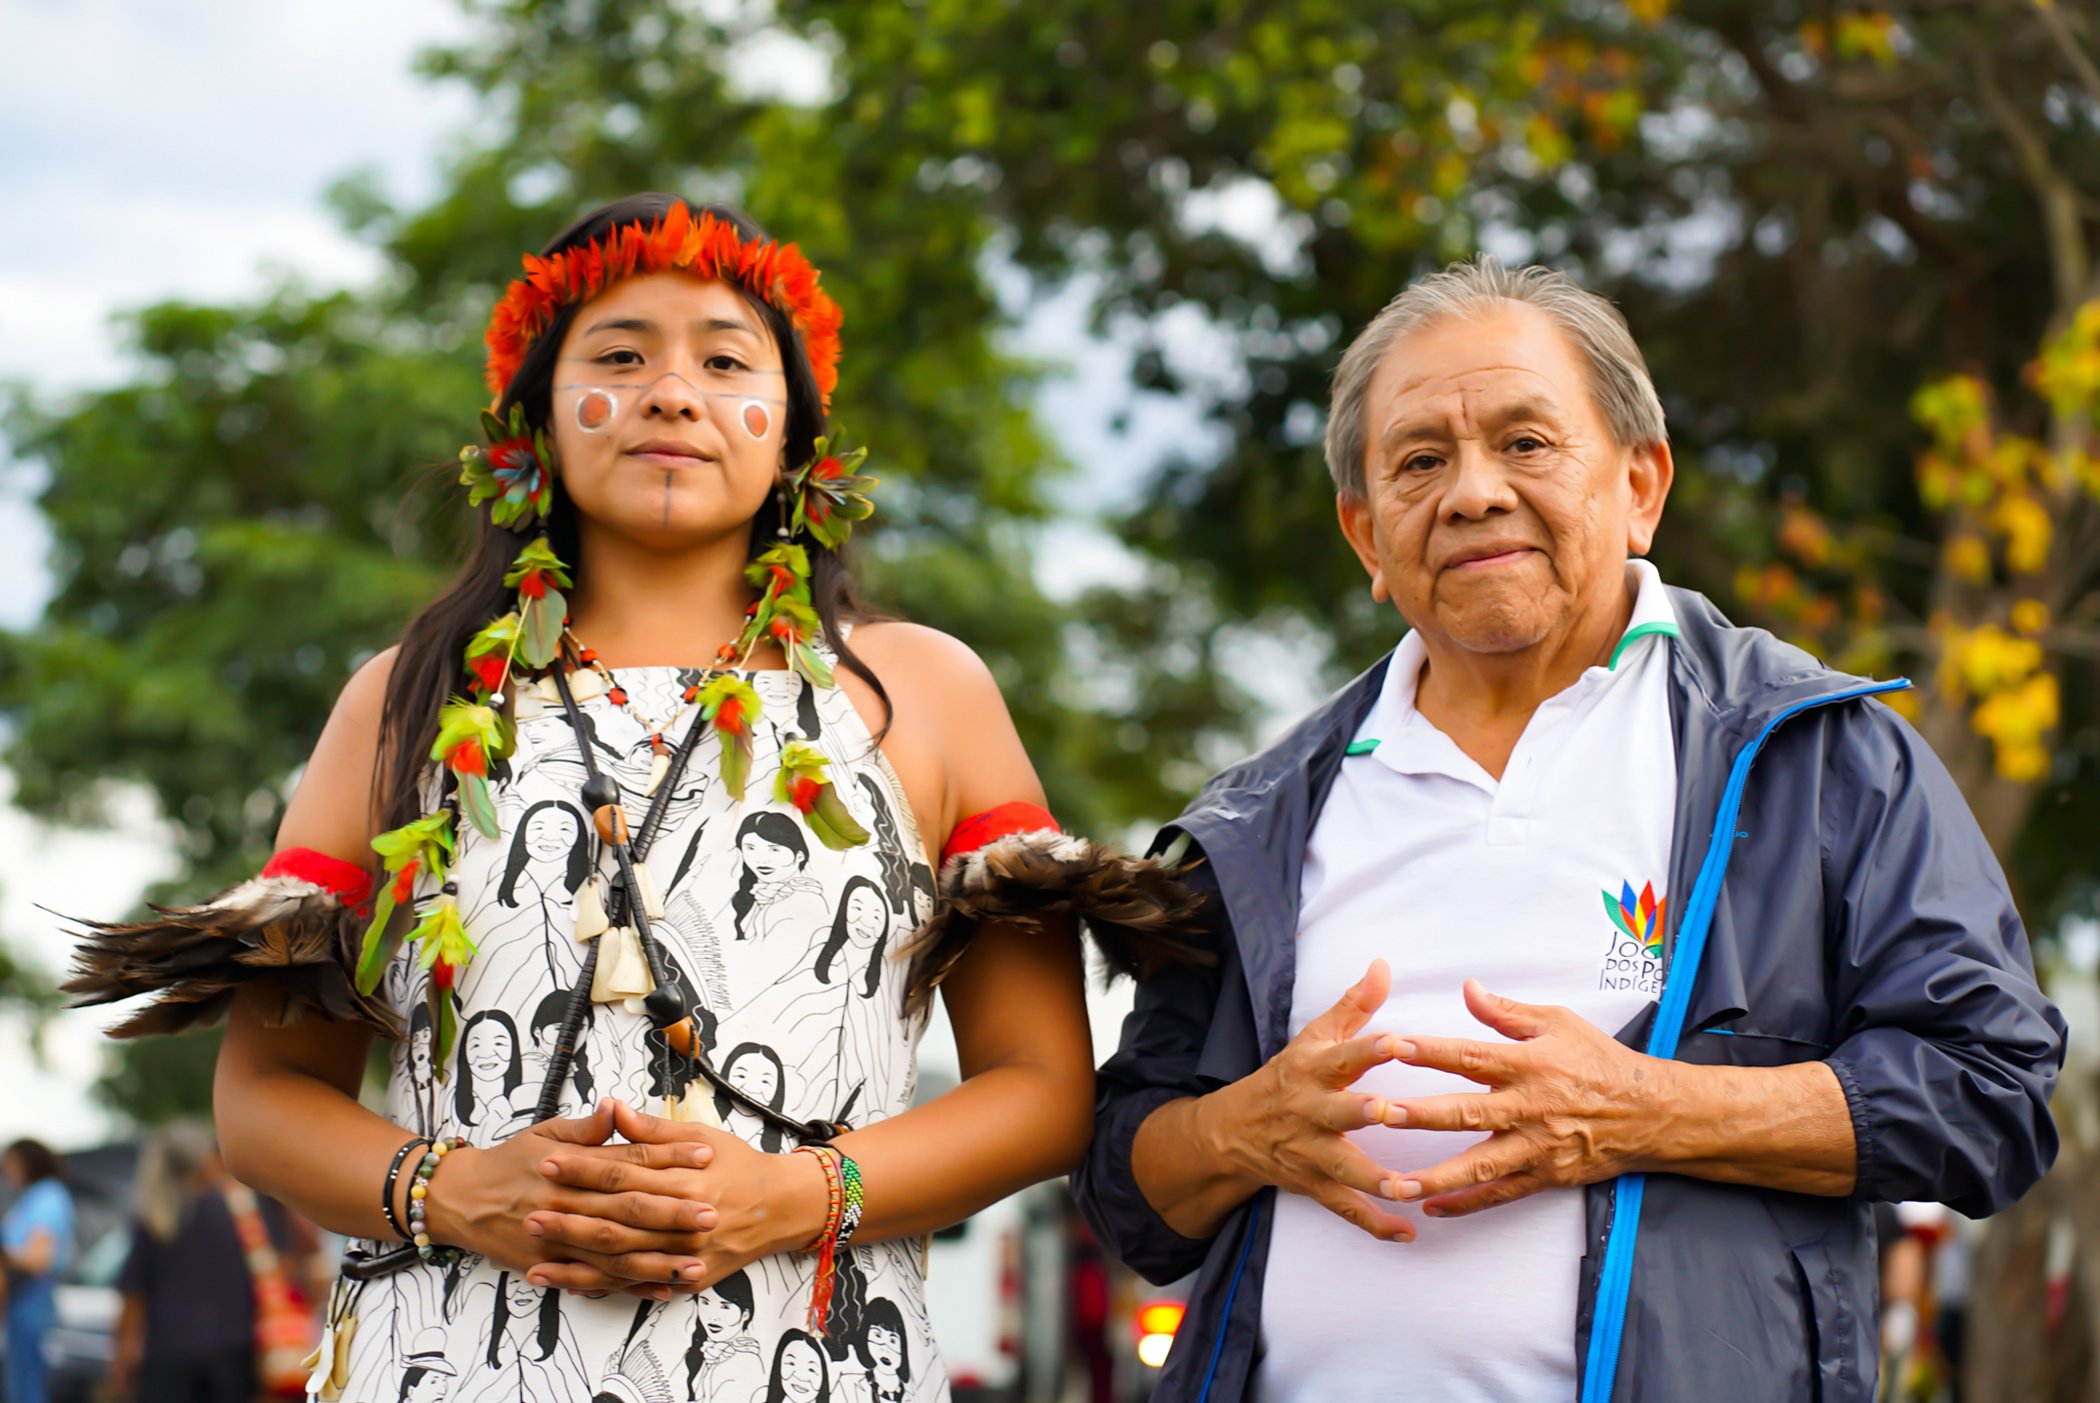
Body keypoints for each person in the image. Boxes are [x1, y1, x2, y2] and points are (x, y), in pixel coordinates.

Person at [67, 193, 1199, 1400]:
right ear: (539, 421)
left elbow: (1038, 1089)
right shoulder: (400, 702)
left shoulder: (922, 692)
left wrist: (788, 1196)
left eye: (723, 359)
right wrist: (459, 1190)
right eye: (619, 356)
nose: (672, 392)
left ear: (794, 434)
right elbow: (267, 1099)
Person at [1071, 257, 2067, 1402]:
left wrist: (1645, 1110)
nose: (1473, 492)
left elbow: (1990, 1093)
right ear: (1366, 535)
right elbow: (1124, 1186)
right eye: (1420, 461)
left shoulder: (1814, 753)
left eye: (1526, 442)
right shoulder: (1258, 815)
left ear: (1642, 485)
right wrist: (1242, 1130)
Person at [110, 1120, 321, 1403]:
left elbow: (134, 1297)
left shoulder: (158, 1215)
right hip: (235, 1352)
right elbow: (293, 1261)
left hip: (168, 1356)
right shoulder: (244, 1211)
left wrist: (122, 1357)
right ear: (206, 1158)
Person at [2, 1139, 75, 1403]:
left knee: (27, 1385)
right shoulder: (36, 1197)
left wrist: (5, 1253)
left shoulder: (47, 1197)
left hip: (32, 1295)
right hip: (24, 1298)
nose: (7, 1170)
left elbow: (38, 1259)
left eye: (11, 1163)